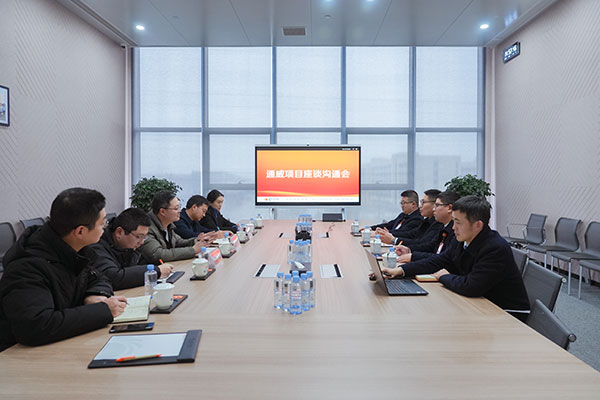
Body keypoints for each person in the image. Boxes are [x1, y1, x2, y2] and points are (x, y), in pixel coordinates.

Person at [0, 188, 127, 351]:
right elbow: (36, 326)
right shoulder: (27, 267)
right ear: (80, 231)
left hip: (62, 344)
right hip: (19, 356)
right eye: (102, 223)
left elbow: (99, 278)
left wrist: (95, 294)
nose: (105, 228)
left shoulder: (75, 249)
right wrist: (102, 310)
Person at [381, 196, 530, 313]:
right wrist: (400, 271)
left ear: (478, 225)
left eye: (458, 222)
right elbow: (438, 261)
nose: (453, 228)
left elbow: (471, 286)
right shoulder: (462, 240)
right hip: (480, 303)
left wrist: (443, 276)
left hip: (506, 312)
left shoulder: (494, 248)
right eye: (453, 221)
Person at [90, 208, 174, 290]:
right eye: (139, 237)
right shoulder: (96, 246)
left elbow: (140, 264)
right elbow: (114, 277)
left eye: (144, 237)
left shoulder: (129, 246)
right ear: (119, 232)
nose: (142, 242)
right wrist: (156, 271)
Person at [139, 191, 216, 263]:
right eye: (176, 208)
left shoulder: (169, 225)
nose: (180, 211)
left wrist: (196, 240)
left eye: (179, 207)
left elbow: (179, 242)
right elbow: (157, 254)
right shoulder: (146, 227)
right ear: (162, 211)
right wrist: (193, 250)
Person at [394, 190, 460, 262]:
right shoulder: (443, 226)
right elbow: (430, 246)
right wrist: (409, 250)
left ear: (449, 208)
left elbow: (444, 258)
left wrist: (413, 256)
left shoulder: (452, 230)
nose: (434, 209)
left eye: (437, 205)